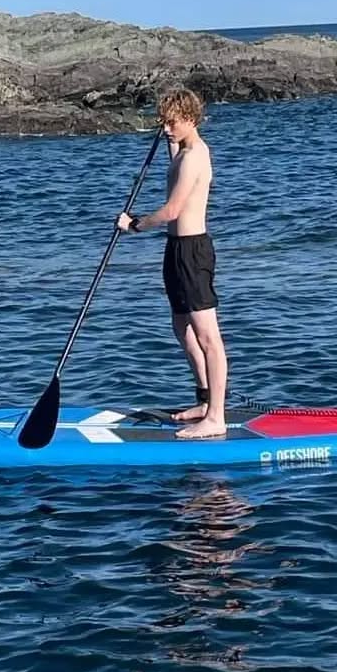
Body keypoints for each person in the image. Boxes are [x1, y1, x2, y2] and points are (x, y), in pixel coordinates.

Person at [117, 89, 228, 439]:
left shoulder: (195, 157)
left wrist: (134, 225)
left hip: (193, 252)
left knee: (208, 336)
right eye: (162, 123)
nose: (166, 129)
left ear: (192, 120)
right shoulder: (180, 150)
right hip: (175, 251)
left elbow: (172, 211)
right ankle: (204, 399)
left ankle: (216, 418)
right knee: (181, 328)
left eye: (172, 123)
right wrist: (166, 125)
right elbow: (172, 156)